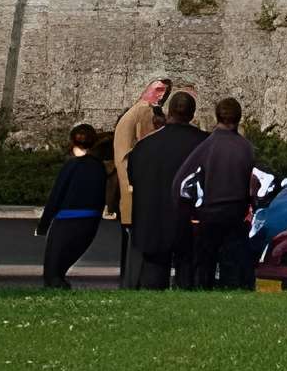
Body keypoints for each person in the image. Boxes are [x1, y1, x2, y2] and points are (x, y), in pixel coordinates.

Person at [175, 96, 260, 290]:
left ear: (217, 117)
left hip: (210, 214)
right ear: (239, 118)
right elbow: (257, 183)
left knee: (206, 265)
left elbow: (182, 182)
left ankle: (204, 291)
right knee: (233, 267)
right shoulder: (246, 148)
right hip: (236, 214)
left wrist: (186, 209)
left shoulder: (207, 146)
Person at [122, 90, 202, 292]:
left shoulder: (144, 147)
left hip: (153, 219)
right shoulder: (204, 144)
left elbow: (134, 178)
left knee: (153, 281)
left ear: (168, 112)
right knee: (189, 280)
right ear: (192, 115)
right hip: (189, 221)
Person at [108, 76, 167, 287]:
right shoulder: (144, 112)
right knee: (140, 246)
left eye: (164, 92)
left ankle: (129, 281)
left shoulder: (132, 112)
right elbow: (148, 147)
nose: (161, 95)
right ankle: (135, 282)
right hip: (136, 188)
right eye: (158, 90)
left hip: (127, 184)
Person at [36, 126, 107, 290]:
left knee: (53, 271)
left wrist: (43, 225)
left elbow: (56, 196)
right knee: (62, 265)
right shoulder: (99, 167)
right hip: (90, 220)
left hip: (66, 220)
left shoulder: (71, 166)